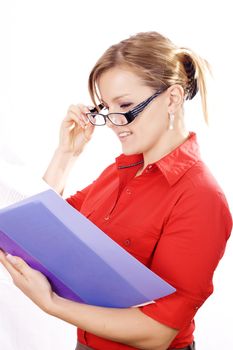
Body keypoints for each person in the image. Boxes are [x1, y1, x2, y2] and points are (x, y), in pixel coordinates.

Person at [0, 31, 232, 350]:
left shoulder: (201, 197)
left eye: (124, 105)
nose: (113, 122)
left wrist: (52, 304)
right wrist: (67, 153)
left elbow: (158, 332)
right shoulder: (119, 172)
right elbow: (40, 232)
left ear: (173, 98)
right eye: (106, 108)